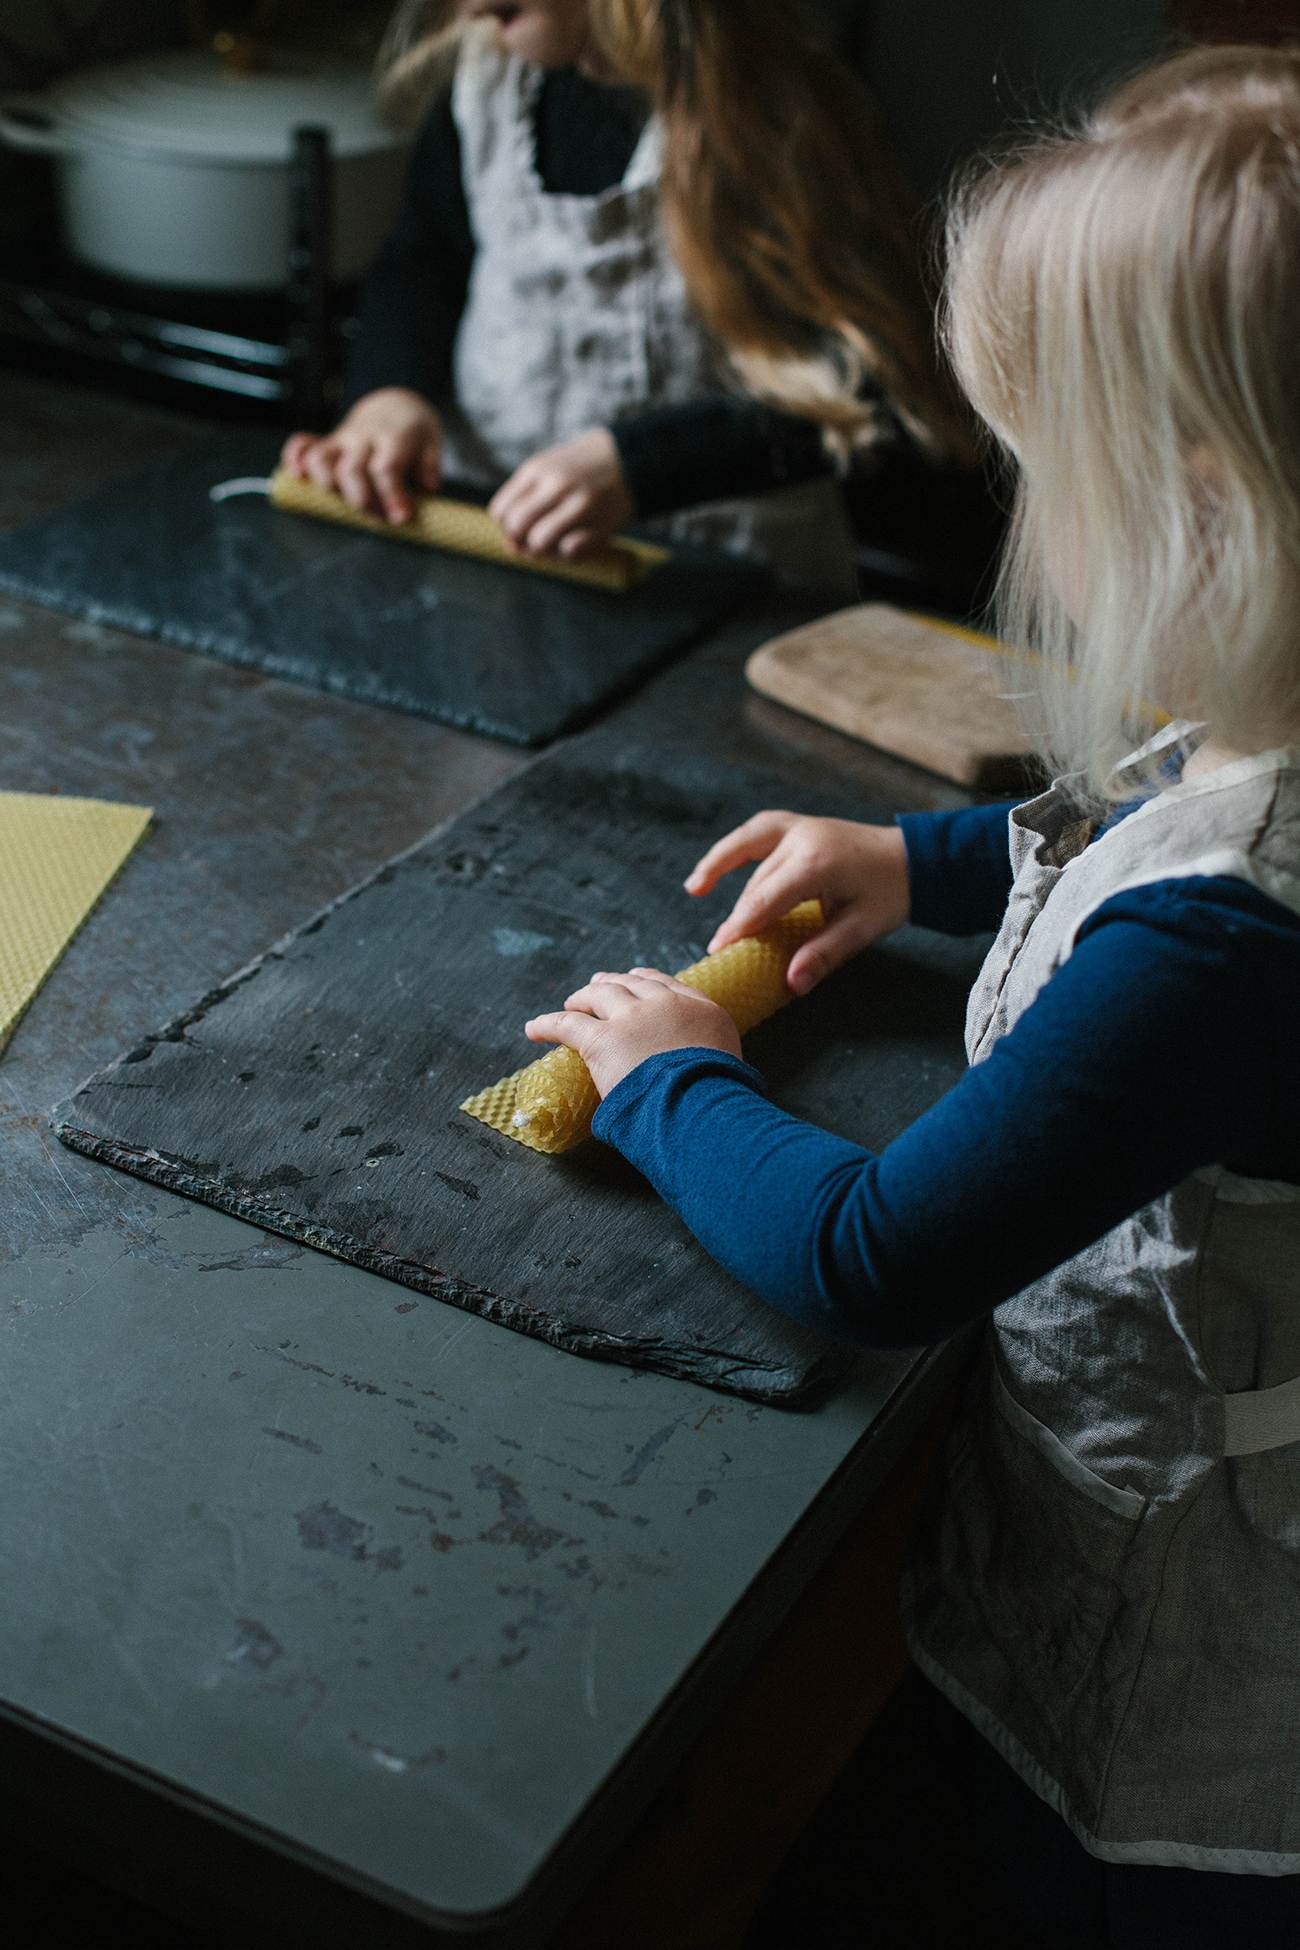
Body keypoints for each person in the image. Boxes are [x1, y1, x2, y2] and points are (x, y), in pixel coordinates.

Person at [522, 44, 1300, 1947]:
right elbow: (1158, 808)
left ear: (1205, 513)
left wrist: (670, 1074)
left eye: (1052, 480)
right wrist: (917, 861)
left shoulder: (1233, 952)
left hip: (1185, 1672)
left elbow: (880, 1255)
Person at [281, 0, 972, 589]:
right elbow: (420, 266)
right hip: (502, 547)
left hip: (721, 578)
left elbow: (874, 376)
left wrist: (636, 468)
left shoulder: (775, 113)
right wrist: (389, 395)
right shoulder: (480, 91)